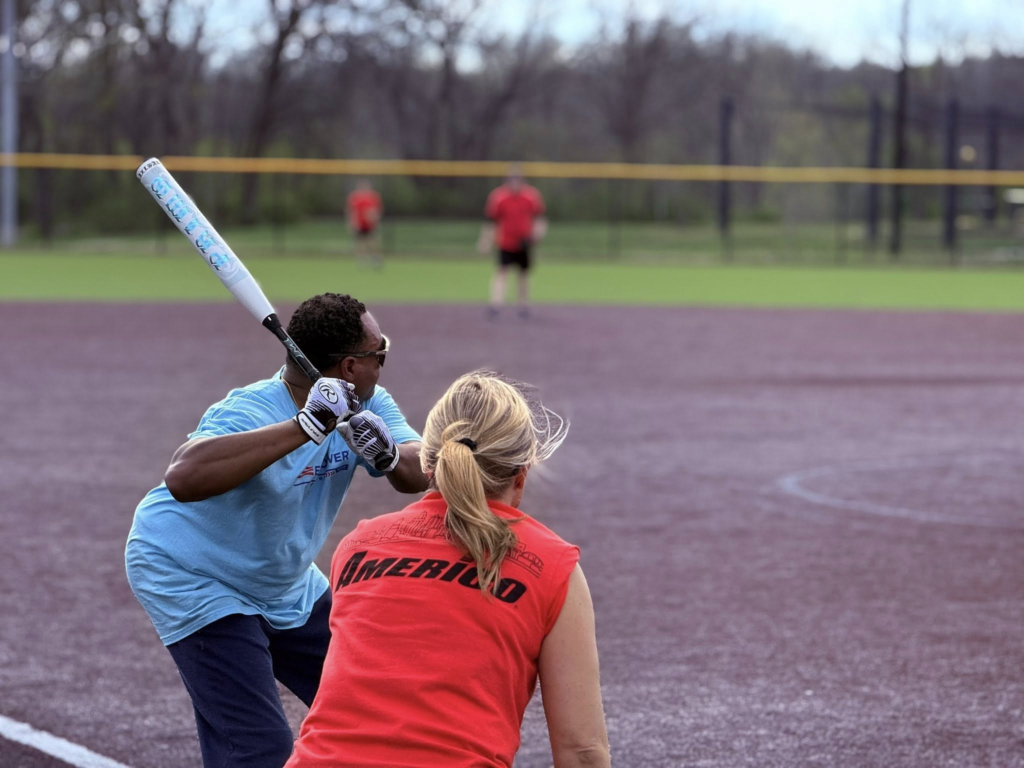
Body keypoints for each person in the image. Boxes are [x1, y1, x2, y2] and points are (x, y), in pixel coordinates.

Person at [125, 292, 429, 768]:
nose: (384, 362)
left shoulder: (370, 403)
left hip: (283, 582)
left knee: (374, 705)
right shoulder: (252, 409)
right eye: (379, 354)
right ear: (350, 366)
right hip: (194, 574)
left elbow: (418, 472)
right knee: (257, 748)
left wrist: (389, 454)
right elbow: (183, 477)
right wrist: (305, 426)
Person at [287, 370, 610, 768]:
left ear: (428, 462)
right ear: (520, 476)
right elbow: (581, 752)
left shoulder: (357, 548)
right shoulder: (551, 566)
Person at [478, 165, 547, 319]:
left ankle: (523, 305)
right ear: (506, 181)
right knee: (501, 272)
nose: (515, 183)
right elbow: (490, 221)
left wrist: (538, 233)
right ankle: (496, 304)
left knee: (523, 273)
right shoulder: (498, 196)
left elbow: (540, 218)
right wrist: (485, 241)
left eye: (518, 179)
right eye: (512, 179)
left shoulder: (531, 195)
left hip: (524, 241)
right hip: (505, 241)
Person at [346, 179, 384, 267]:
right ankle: (361, 260)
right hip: (359, 223)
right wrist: (352, 222)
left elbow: (377, 210)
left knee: (373, 242)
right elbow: (351, 211)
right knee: (360, 242)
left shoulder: (373, 197)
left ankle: (376, 258)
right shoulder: (354, 197)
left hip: (370, 224)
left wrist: (375, 219)